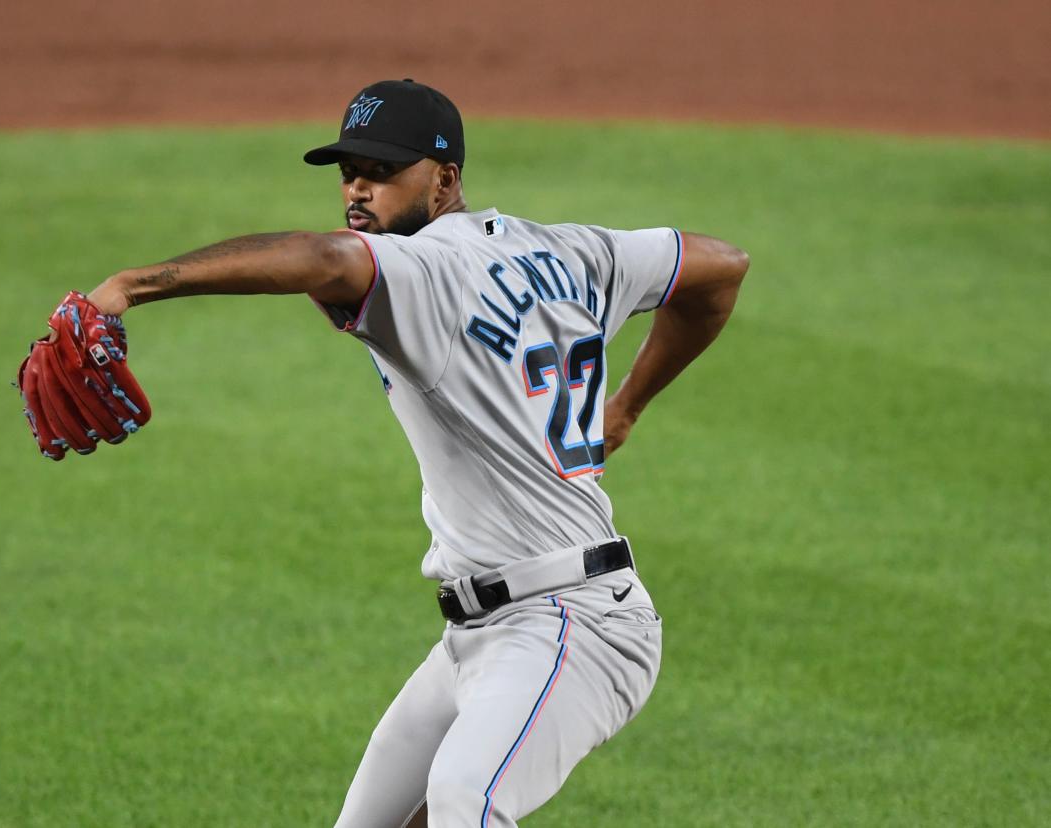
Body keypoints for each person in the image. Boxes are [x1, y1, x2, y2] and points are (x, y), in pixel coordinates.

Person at [85, 79, 749, 828]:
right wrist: (624, 409)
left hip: (574, 625)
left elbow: (324, 261)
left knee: (467, 803)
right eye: (347, 172)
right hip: (481, 635)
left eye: (381, 171)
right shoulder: (577, 251)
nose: (358, 190)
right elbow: (720, 267)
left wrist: (131, 286)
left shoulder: (426, 269)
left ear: (445, 179)